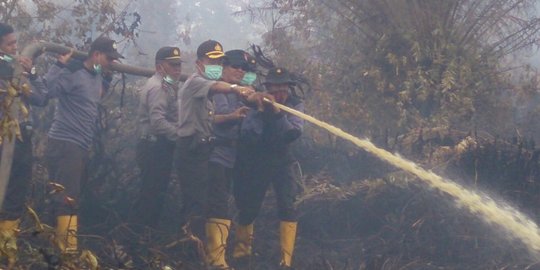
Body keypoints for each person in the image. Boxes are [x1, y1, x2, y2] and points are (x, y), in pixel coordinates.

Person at [175, 39, 255, 266]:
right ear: (200, 62)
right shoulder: (196, 82)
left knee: (204, 205)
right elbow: (218, 88)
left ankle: (204, 257)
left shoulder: (209, 86)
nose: (216, 65)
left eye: (219, 61)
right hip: (190, 148)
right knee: (195, 206)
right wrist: (237, 88)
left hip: (202, 148)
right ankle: (194, 256)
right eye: (212, 60)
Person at [43, 36, 123, 254]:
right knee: (67, 198)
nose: (111, 62)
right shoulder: (74, 73)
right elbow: (47, 92)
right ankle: (66, 253)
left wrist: (107, 76)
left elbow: (95, 96)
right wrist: (59, 65)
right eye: (109, 58)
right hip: (65, 142)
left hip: (79, 146)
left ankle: (52, 250)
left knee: (68, 195)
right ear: (96, 54)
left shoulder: (95, 75)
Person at [233, 67, 304, 269]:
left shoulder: (295, 104)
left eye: (283, 88)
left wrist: (277, 114)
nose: (279, 93)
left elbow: (293, 132)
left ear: (289, 88)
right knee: (249, 207)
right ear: (268, 88)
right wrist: (261, 111)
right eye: (275, 89)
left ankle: (286, 261)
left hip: (283, 161)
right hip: (258, 162)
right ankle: (241, 255)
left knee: (288, 206)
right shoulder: (255, 104)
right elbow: (248, 135)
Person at [0, 22, 48, 266]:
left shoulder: (20, 69)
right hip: (3, 139)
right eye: (9, 44)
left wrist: (32, 72)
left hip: (21, 140)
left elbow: (41, 98)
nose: (15, 48)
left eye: (15, 43)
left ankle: (6, 250)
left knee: (16, 194)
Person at [205, 49, 258, 269]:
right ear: (224, 67)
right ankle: (215, 259)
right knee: (218, 205)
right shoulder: (217, 90)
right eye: (235, 66)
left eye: (243, 68)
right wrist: (239, 111)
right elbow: (214, 119)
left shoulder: (244, 92)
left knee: (233, 201)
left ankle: (237, 254)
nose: (239, 71)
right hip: (216, 153)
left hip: (235, 156)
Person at [133, 46, 183, 229]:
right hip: (154, 147)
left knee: (154, 194)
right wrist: (181, 136)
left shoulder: (167, 85)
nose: (177, 69)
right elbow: (158, 122)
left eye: (179, 65)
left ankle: (145, 237)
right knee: (151, 195)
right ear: (160, 66)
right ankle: (139, 237)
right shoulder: (158, 87)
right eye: (173, 65)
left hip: (158, 146)